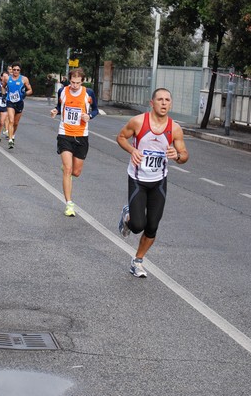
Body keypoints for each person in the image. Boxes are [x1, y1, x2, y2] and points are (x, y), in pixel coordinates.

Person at [116, 87, 189, 278]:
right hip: (138, 179)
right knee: (138, 225)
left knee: (152, 226)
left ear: (170, 103)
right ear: (152, 103)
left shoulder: (174, 128)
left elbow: (184, 155)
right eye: (160, 99)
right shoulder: (139, 122)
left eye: (167, 100)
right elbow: (121, 137)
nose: (164, 103)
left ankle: (137, 261)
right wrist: (133, 151)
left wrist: (178, 155)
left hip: (159, 182)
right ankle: (128, 214)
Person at [50, 67, 98, 217]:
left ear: (82, 82)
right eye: (72, 82)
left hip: (82, 136)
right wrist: (55, 111)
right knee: (68, 169)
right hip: (64, 134)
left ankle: (67, 170)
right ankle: (69, 204)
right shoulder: (63, 91)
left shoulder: (88, 93)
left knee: (76, 172)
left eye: (77, 83)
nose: (75, 85)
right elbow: (59, 107)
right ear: (69, 80)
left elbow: (96, 109)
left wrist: (89, 116)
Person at [6, 62, 33, 149]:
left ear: (20, 70)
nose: (16, 71)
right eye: (14, 70)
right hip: (10, 102)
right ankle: (10, 140)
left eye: (18, 70)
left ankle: (13, 135)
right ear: (12, 70)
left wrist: (25, 94)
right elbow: (3, 86)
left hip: (19, 102)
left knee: (16, 123)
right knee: (11, 120)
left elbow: (30, 90)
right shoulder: (7, 78)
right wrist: (3, 95)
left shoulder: (24, 79)